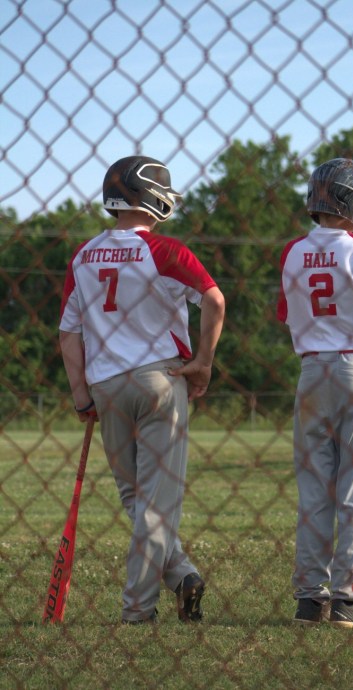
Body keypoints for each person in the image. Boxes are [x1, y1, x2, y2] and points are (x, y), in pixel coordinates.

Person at [59, 155, 225, 624]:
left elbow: (68, 333)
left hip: (106, 384)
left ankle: (181, 573)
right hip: (159, 380)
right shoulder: (165, 250)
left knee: (135, 497)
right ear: (153, 199)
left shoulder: (84, 255)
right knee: (157, 500)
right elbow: (214, 300)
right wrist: (203, 364)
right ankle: (138, 609)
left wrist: (81, 395)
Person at [277, 158, 353, 628]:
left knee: (314, 491)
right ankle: (349, 599)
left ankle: (310, 599)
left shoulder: (292, 251)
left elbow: (288, 315)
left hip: (311, 371)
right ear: (352, 202)